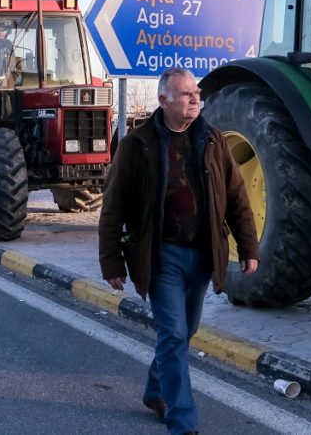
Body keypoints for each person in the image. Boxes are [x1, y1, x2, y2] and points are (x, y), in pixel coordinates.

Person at [98, 67, 260, 435]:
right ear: (163, 100)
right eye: (185, 94)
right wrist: (111, 261)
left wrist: (249, 246)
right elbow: (114, 207)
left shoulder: (213, 141)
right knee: (172, 333)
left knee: (184, 332)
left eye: (196, 94)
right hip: (160, 256)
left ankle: (157, 389)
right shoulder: (136, 145)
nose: (194, 99)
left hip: (202, 254)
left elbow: (236, 197)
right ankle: (182, 421)